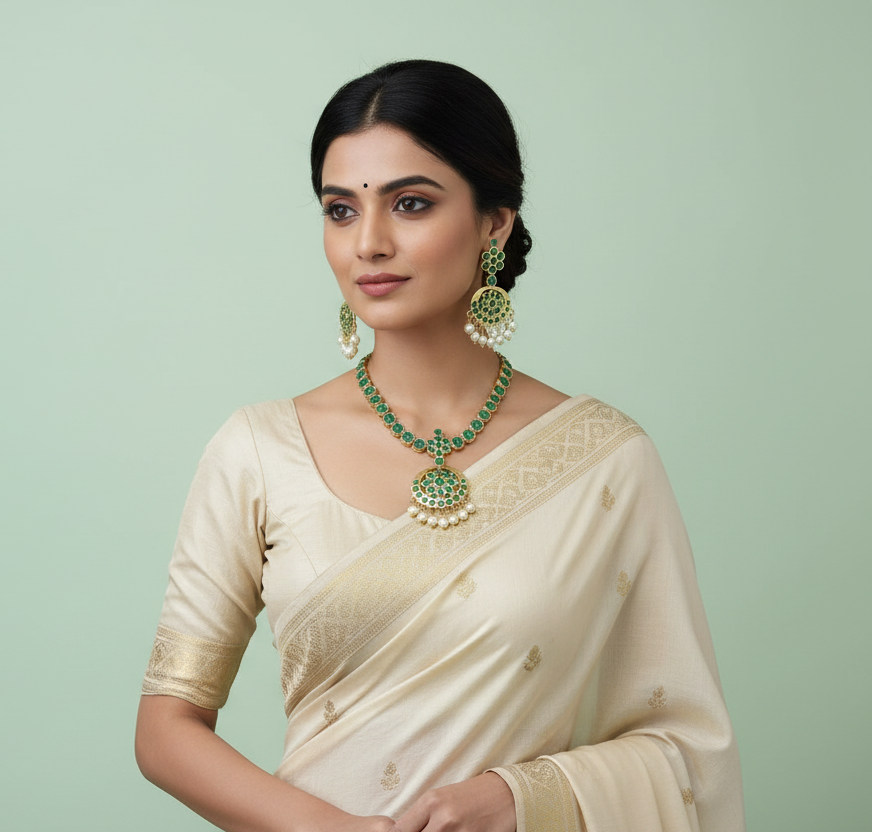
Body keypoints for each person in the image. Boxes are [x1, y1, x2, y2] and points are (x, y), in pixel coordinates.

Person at [135, 59, 745, 832]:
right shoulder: (257, 449)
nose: (368, 243)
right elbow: (165, 729)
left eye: (410, 203)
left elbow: (685, 747)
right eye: (340, 210)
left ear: (495, 222)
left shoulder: (606, 460)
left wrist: (522, 796)